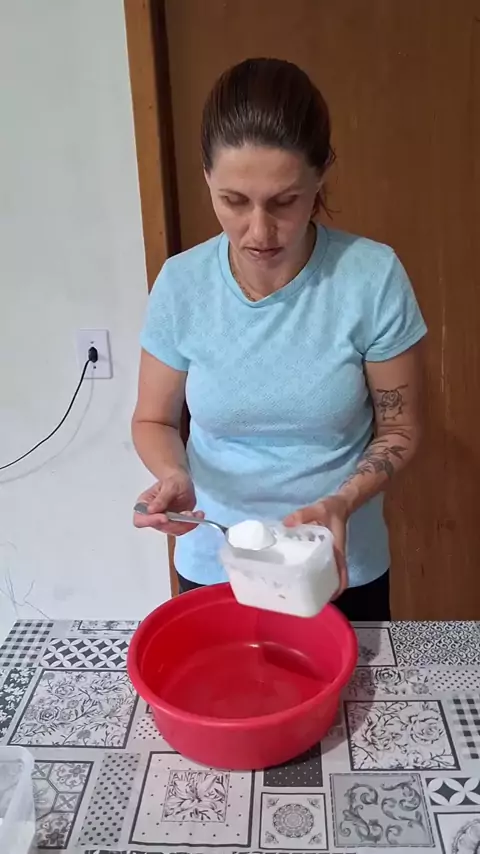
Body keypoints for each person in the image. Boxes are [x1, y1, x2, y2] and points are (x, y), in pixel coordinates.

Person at [132, 58, 426, 621]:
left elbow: (400, 427)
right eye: (233, 201)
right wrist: (173, 476)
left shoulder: (371, 277)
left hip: (335, 566)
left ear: (321, 176)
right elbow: (154, 420)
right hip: (217, 562)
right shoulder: (182, 284)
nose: (259, 232)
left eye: (284, 201)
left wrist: (342, 501)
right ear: (207, 179)